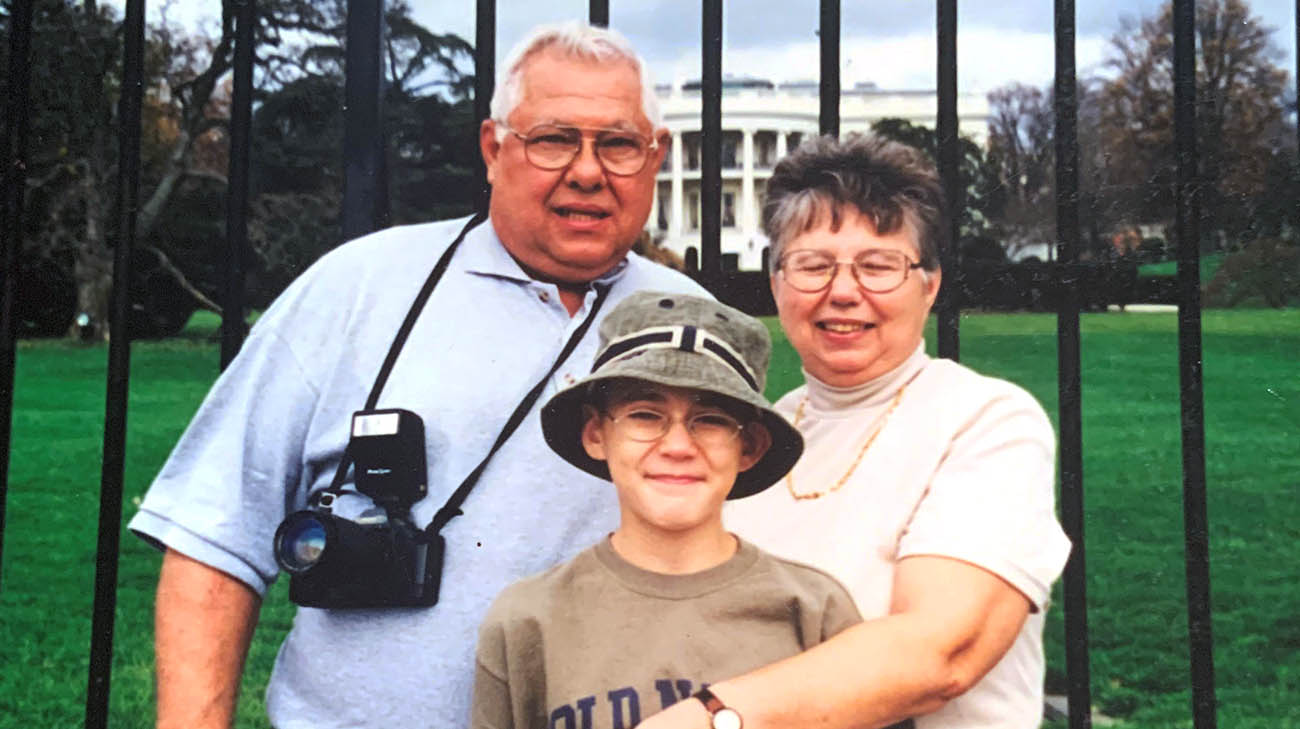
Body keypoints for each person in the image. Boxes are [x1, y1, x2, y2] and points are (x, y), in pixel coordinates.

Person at [128, 22, 708, 729]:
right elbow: (213, 537)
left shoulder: (689, 319)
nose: (587, 171)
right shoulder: (358, 286)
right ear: (494, 150)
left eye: (617, 144)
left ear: (656, 157)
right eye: (554, 138)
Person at [638, 135, 1072, 729]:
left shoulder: (986, 420)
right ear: (777, 282)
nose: (843, 291)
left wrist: (712, 718)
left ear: (930, 284)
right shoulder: (756, 433)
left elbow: (939, 654)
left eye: (879, 265)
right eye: (813, 265)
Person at [471, 291, 861, 729]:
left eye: (710, 419)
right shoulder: (527, 619)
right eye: (644, 414)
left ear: (749, 446)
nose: (677, 446)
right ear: (596, 434)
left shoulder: (813, 609)